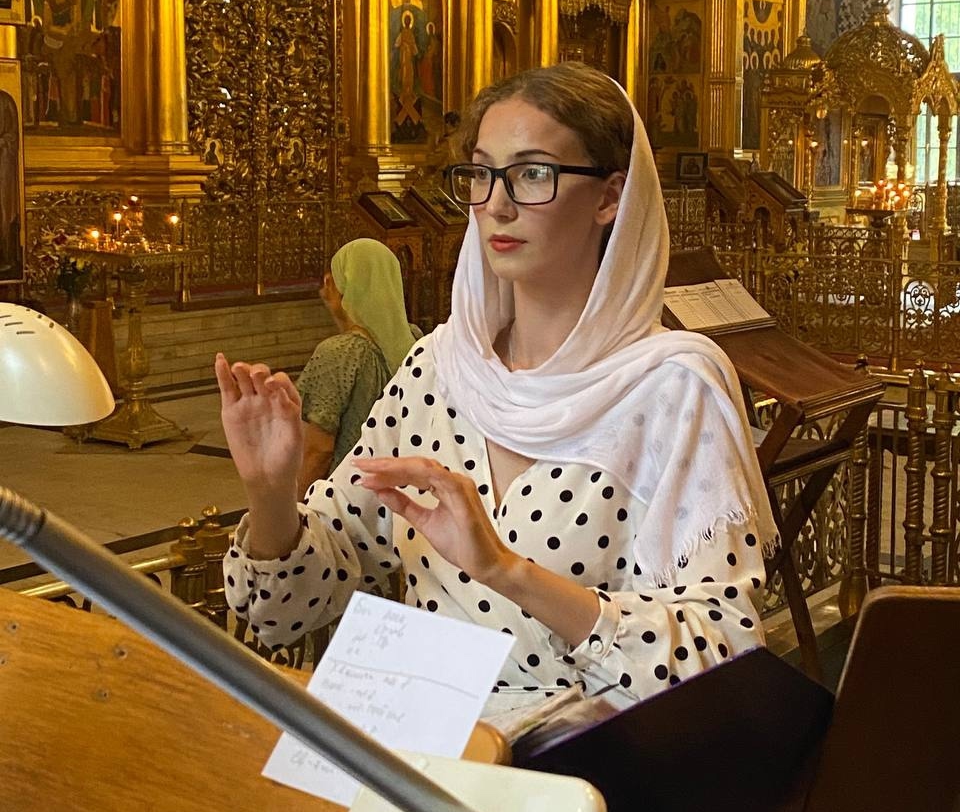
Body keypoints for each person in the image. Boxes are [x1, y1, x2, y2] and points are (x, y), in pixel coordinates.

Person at [217, 64, 776, 718]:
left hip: (583, 758)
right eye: (482, 174)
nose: (497, 205)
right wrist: (271, 494)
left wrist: (507, 572)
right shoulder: (439, 369)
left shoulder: (673, 389)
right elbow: (287, 611)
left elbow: (723, 653)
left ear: (609, 197)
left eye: (533, 174)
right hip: (427, 742)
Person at [294, 239, 416, 493]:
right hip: (402, 492)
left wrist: (296, 504)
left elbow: (319, 451)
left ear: (344, 288)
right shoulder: (417, 341)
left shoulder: (341, 353)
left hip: (348, 497)